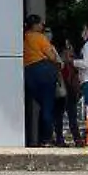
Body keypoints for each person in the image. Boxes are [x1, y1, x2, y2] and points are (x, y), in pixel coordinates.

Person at [21, 15, 60, 148]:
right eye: (41, 24)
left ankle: (35, 138)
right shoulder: (40, 37)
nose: (42, 26)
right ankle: (46, 139)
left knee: (39, 106)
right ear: (36, 25)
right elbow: (52, 56)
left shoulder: (23, 38)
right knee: (47, 106)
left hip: (28, 73)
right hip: (44, 71)